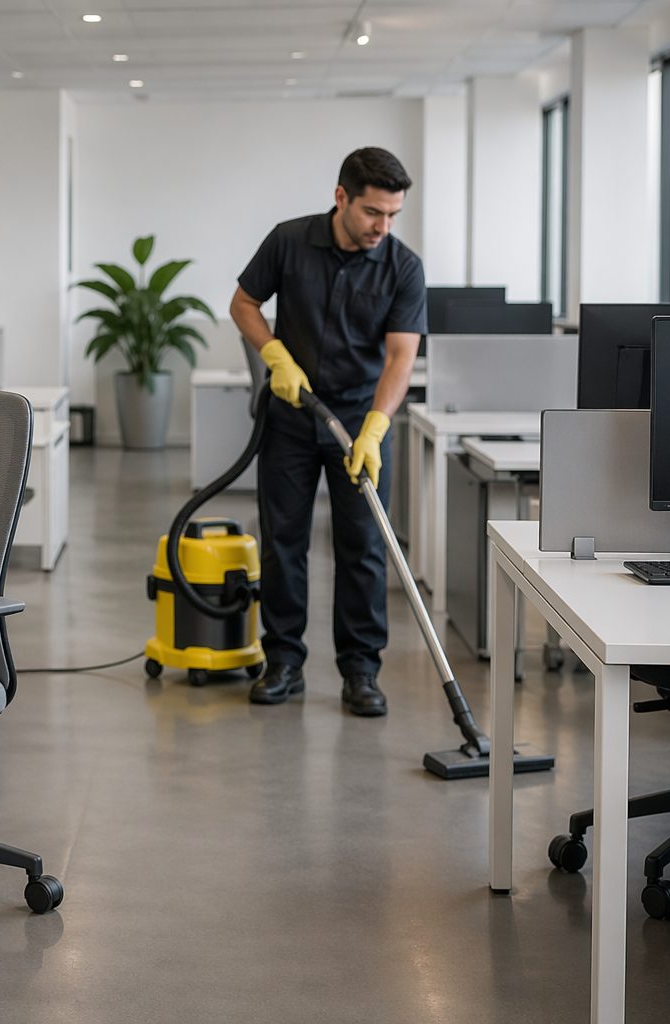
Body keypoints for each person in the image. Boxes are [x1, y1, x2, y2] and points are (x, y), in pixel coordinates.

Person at [228, 147, 426, 717]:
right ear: (341, 197)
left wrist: (376, 429)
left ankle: (361, 672)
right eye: (372, 213)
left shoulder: (402, 267)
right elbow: (244, 303)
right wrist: (273, 354)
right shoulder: (288, 241)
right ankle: (284, 661)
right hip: (292, 417)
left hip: (360, 426)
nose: (381, 228)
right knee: (284, 541)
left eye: (392, 216)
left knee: (362, 548)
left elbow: (399, 359)